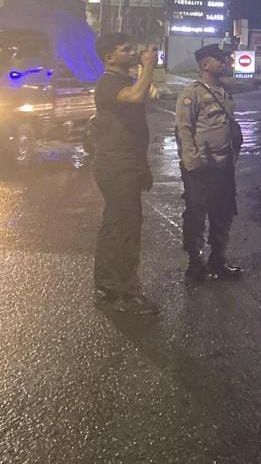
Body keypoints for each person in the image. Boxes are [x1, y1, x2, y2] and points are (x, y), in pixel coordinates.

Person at [92, 33, 160, 315]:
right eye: (126, 49)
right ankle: (128, 293)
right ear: (110, 57)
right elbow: (134, 98)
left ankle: (107, 285)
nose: (133, 52)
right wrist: (148, 66)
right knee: (127, 228)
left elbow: (135, 123)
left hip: (125, 162)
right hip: (116, 164)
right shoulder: (109, 83)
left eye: (133, 48)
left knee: (114, 224)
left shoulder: (122, 81)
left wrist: (142, 165)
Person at [175, 44, 243, 283]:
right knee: (196, 216)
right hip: (202, 168)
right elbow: (184, 130)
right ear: (205, 64)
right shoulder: (191, 94)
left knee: (223, 213)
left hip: (224, 166)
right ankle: (195, 265)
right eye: (219, 59)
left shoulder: (223, 91)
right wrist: (193, 163)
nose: (224, 63)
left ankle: (218, 260)